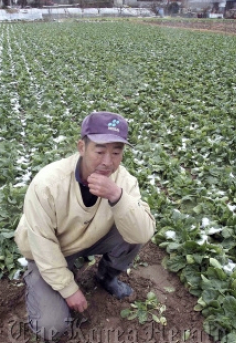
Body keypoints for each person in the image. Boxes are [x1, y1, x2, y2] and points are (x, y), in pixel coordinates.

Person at [15, 111, 156, 341]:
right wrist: (69, 289)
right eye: (99, 151)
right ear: (82, 147)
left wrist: (117, 196)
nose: (107, 162)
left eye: (116, 153)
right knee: (51, 326)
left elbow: (143, 232)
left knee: (134, 225)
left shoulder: (124, 181)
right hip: (48, 250)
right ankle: (41, 277)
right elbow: (42, 242)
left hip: (88, 238)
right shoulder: (48, 184)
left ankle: (106, 277)